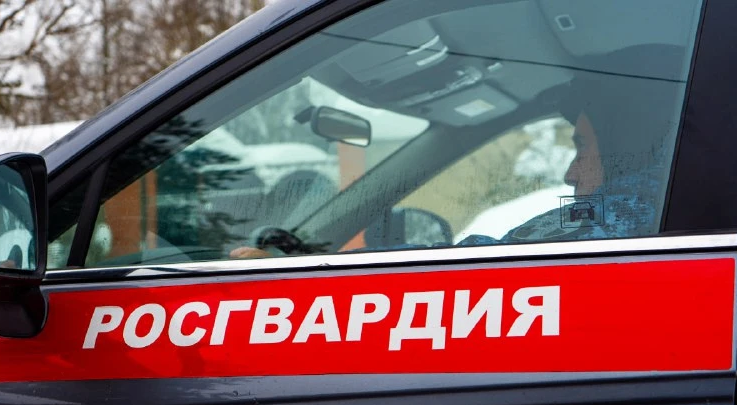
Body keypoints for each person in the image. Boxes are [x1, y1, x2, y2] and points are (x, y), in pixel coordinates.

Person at [230, 46, 683, 258]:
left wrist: (308, 270)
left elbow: (486, 270)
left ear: (630, 146)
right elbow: (491, 256)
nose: (569, 172)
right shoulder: (631, 221)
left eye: (582, 147)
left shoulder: (625, 222)